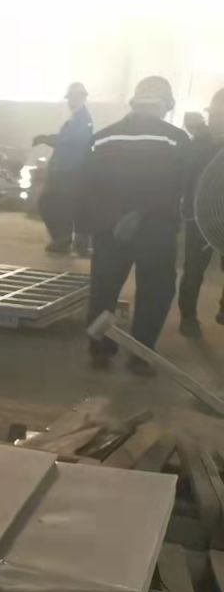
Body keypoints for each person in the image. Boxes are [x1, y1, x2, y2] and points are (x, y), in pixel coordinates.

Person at [83, 76, 193, 373]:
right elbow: (177, 186)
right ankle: (141, 355)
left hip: (109, 228)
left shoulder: (103, 137)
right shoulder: (175, 139)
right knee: (154, 290)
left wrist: (97, 223)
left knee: (104, 288)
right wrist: (141, 212)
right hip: (155, 228)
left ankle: (99, 349)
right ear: (166, 104)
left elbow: (88, 185)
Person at [176, 89, 224, 335]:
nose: (216, 120)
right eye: (214, 115)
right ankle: (188, 317)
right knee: (194, 269)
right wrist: (186, 212)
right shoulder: (198, 145)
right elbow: (185, 180)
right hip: (199, 218)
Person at [34, 81, 94, 256]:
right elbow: (65, 138)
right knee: (56, 204)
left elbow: (70, 140)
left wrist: (47, 139)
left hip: (70, 171)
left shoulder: (83, 120)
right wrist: (47, 138)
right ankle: (63, 239)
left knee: (51, 203)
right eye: (70, 98)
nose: (71, 101)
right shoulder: (76, 118)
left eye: (74, 97)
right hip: (64, 169)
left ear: (82, 98)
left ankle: (64, 240)